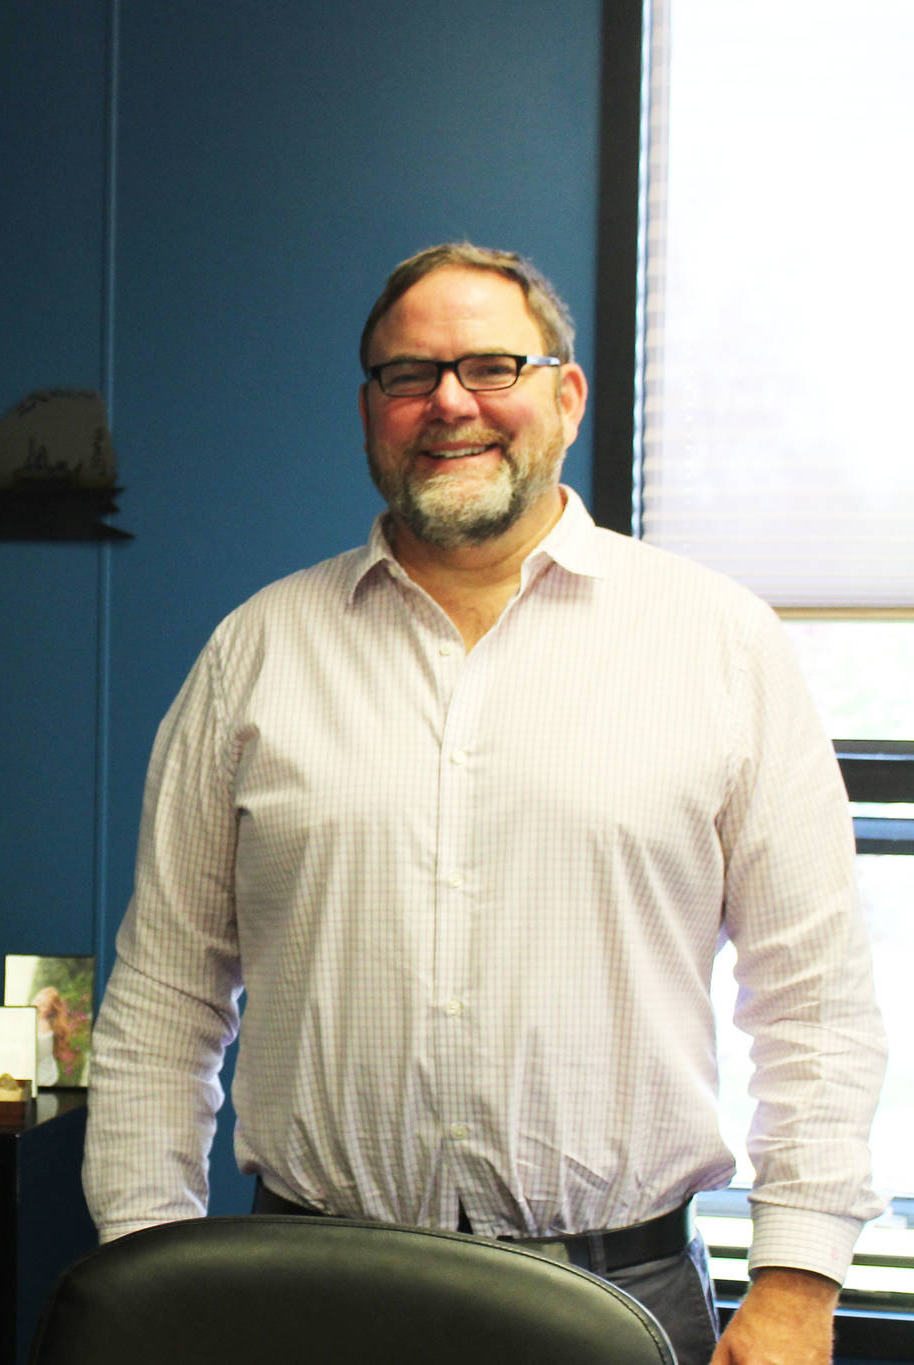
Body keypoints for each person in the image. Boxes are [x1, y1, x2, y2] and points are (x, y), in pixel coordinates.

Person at [83, 244, 884, 1365]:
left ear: (565, 394)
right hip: (305, 1302)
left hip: (622, 1299)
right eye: (407, 375)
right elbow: (164, 1001)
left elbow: (813, 997)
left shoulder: (718, 643)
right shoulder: (255, 652)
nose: (448, 402)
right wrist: (146, 1268)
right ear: (369, 411)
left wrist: (797, 1284)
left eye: (490, 366)